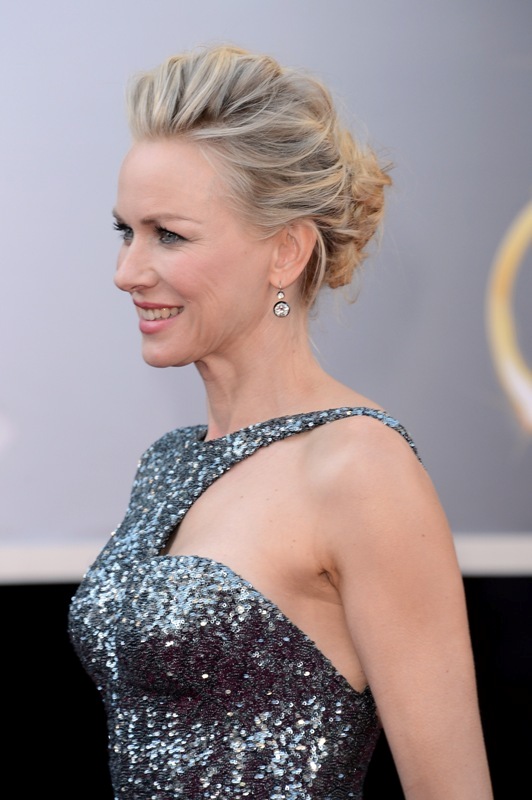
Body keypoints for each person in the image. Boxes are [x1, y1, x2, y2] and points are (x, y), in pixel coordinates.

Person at [68, 44, 493, 799]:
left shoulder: (359, 466)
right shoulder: (167, 464)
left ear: (286, 252)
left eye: (169, 234)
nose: (127, 271)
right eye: (125, 231)